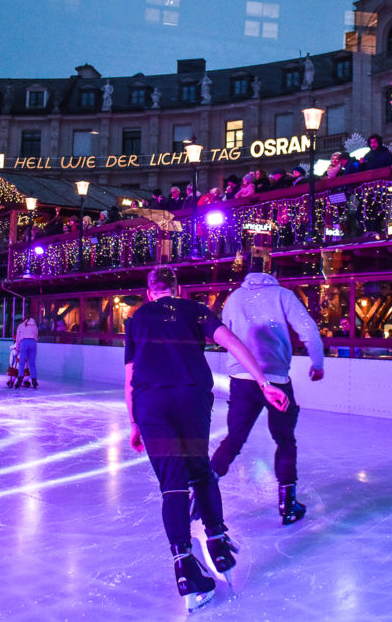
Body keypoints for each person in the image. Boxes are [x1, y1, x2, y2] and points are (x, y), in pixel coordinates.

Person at [124, 265, 288, 612]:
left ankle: (184, 565)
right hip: (190, 398)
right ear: (177, 287)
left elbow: (129, 375)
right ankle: (217, 540)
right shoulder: (196, 310)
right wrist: (264, 383)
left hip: (151, 404)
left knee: (172, 483)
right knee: (199, 469)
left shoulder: (137, 319)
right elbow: (233, 344)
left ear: (150, 291)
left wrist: (135, 423)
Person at [208, 262, 324, 526]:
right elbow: (309, 331)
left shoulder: (234, 297)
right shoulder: (283, 295)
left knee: (234, 439)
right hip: (276, 379)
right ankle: (287, 503)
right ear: (274, 274)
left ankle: (201, 494)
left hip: (241, 379)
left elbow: (223, 334)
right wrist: (317, 363)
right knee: (285, 441)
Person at [14, 315, 39, 389]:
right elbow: (36, 335)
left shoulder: (21, 325)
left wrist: (17, 348)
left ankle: (20, 379)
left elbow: (18, 339)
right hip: (32, 342)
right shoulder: (34, 326)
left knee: (22, 362)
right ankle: (34, 380)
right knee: (32, 363)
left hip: (24, 342)